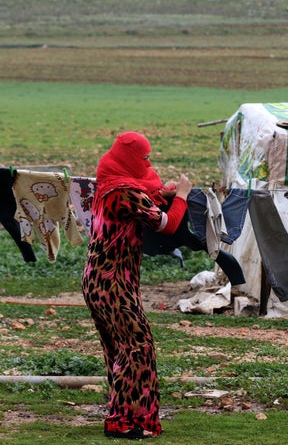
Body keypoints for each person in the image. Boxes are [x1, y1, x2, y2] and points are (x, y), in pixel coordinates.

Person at [81, 131, 192, 439]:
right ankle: (125, 423)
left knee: (120, 350)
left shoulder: (111, 180)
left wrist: (164, 193)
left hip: (101, 279)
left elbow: (147, 199)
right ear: (129, 159)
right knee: (137, 348)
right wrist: (181, 194)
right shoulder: (124, 192)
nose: (149, 162)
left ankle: (125, 417)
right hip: (112, 282)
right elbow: (167, 225)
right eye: (144, 158)